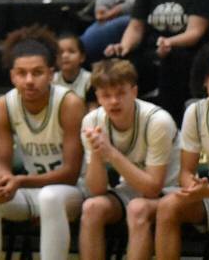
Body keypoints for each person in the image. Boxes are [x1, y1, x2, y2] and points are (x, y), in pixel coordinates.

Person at [0, 26, 85, 260]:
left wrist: (21, 180)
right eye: (21, 73)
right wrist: (2, 178)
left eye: (37, 72)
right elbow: (2, 163)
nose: (29, 80)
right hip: (33, 190)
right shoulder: (4, 105)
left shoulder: (70, 103)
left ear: (52, 74)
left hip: (74, 192)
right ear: (12, 76)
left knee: (50, 197)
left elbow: (71, 173)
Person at [77, 59, 179, 260]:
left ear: (134, 92)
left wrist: (110, 153)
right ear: (97, 96)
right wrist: (98, 153)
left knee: (137, 208)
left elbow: (152, 189)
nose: (114, 101)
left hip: (170, 193)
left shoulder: (158, 121)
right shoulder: (91, 121)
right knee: (91, 208)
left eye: (120, 94)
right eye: (106, 95)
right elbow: (95, 190)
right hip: (130, 190)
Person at [154, 40, 209, 259]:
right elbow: (186, 171)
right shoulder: (195, 112)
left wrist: (207, 191)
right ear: (205, 79)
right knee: (168, 205)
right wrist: (192, 186)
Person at [53, 32, 90, 100]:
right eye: (60, 52)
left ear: (82, 57)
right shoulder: (52, 80)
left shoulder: (89, 80)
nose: (65, 56)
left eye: (71, 51)